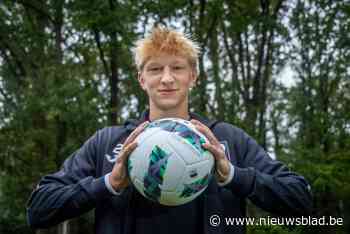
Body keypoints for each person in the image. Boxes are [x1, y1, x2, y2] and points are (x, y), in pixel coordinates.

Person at [27, 26, 313, 234]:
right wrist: (108, 184)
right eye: (155, 69)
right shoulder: (108, 142)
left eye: (177, 67)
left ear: (193, 76)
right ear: (141, 79)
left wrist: (235, 176)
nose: (166, 79)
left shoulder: (228, 140)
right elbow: (39, 209)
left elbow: (300, 198)